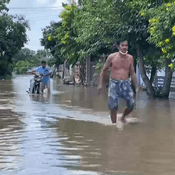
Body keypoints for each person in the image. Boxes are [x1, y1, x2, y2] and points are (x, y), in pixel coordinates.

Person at [98, 40, 139, 124]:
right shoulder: (112, 57)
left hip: (126, 83)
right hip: (114, 83)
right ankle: (114, 124)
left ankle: (123, 117)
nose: (124, 47)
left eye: (126, 45)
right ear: (119, 47)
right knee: (113, 106)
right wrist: (100, 84)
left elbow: (132, 73)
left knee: (131, 104)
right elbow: (104, 71)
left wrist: (137, 87)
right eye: (122, 45)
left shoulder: (130, 58)